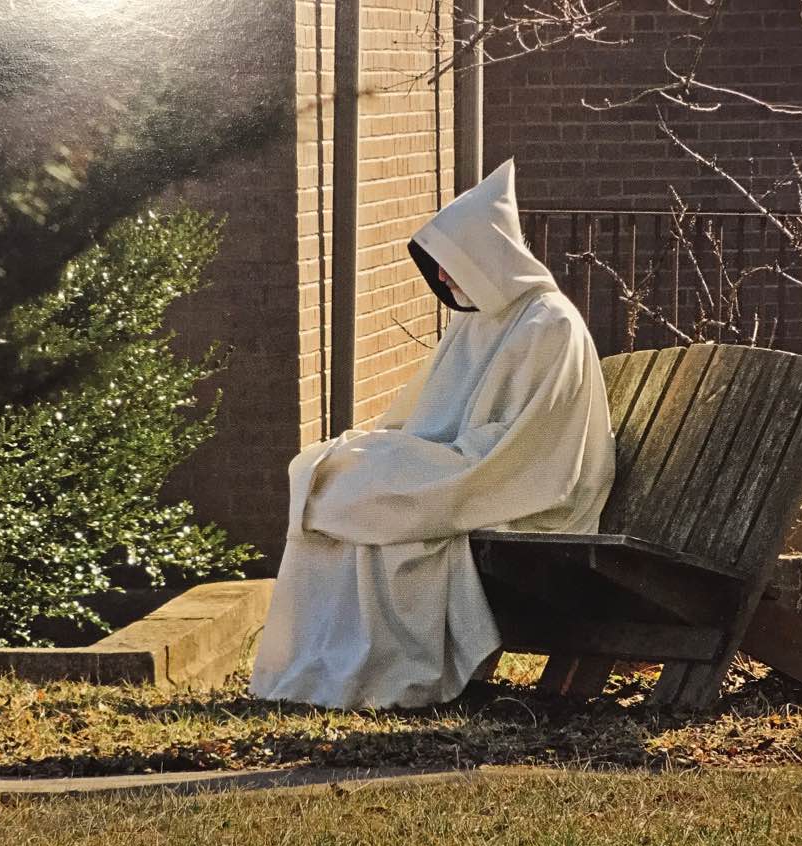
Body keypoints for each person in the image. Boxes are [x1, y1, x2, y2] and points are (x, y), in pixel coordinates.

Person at [249, 158, 616, 710]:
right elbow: (423, 415)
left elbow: (536, 446)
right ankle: (316, 665)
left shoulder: (550, 324)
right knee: (332, 470)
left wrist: (422, 465)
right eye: (438, 267)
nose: (443, 279)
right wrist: (395, 453)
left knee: (372, 492)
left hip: (524, 488)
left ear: (487, 256)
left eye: (451, 264)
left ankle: (370, 669)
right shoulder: (475, 320)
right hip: (470, 465)